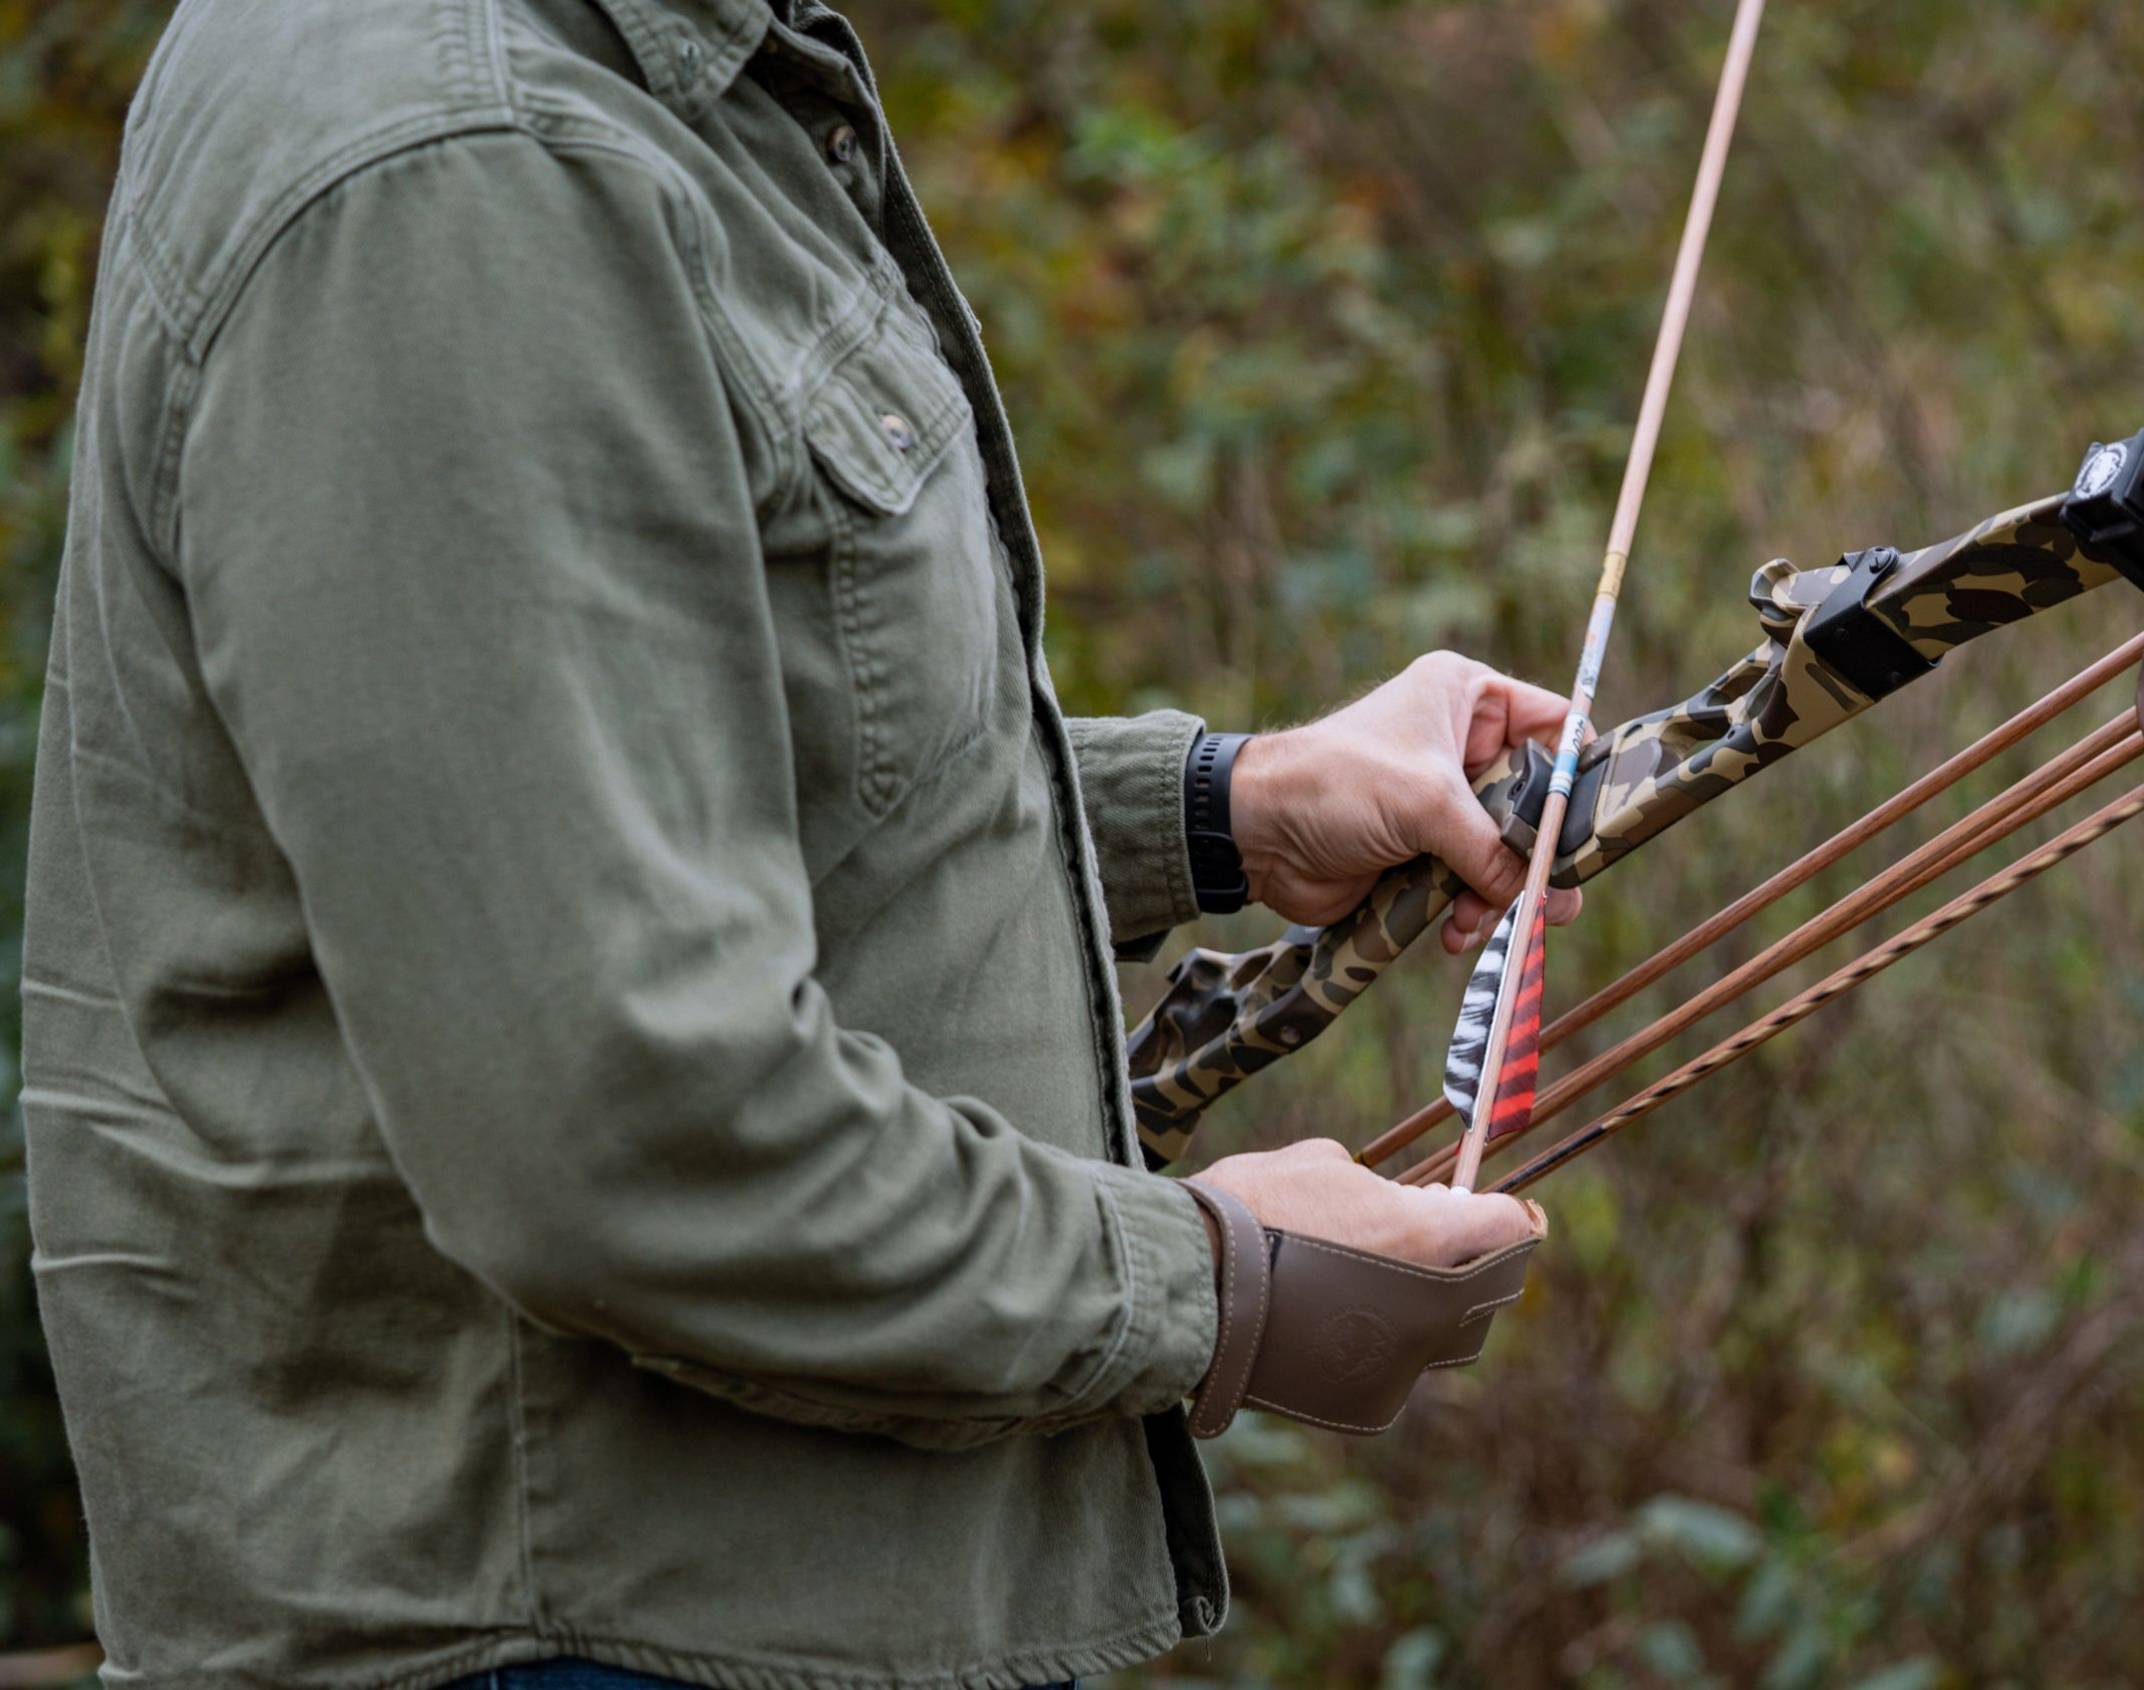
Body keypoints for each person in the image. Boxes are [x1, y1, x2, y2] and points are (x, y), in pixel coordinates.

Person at [22, 1, 1563, 1685]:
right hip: (573, 1639)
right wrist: (1220, 1282)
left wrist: (1221, 807)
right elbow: (618, 1127)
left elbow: (647, 766)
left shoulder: (624, 83)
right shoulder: (463, 166)